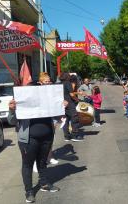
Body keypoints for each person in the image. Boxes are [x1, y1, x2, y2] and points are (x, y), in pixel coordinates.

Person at [7, 73, 63, 203]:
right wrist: (11, 110)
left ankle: (44, 184)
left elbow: (58, 117)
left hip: (47, 136)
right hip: (28, 140)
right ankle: (29, 191)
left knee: (42, 162)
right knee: (27, 165)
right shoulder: (20, 99)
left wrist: (61, 106)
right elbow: (11, 121)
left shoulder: (49, 98)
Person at [59, 72, 83, 142]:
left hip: (62, 104)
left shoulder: (59, 84)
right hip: (69, 103)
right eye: (69, 76)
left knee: (65, 120)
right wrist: (78, 100)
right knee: (74, 118)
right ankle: (74, 135)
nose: (70, 77)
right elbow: (72, 94)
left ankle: (67, 136)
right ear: (67, 77)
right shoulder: (67, 83)